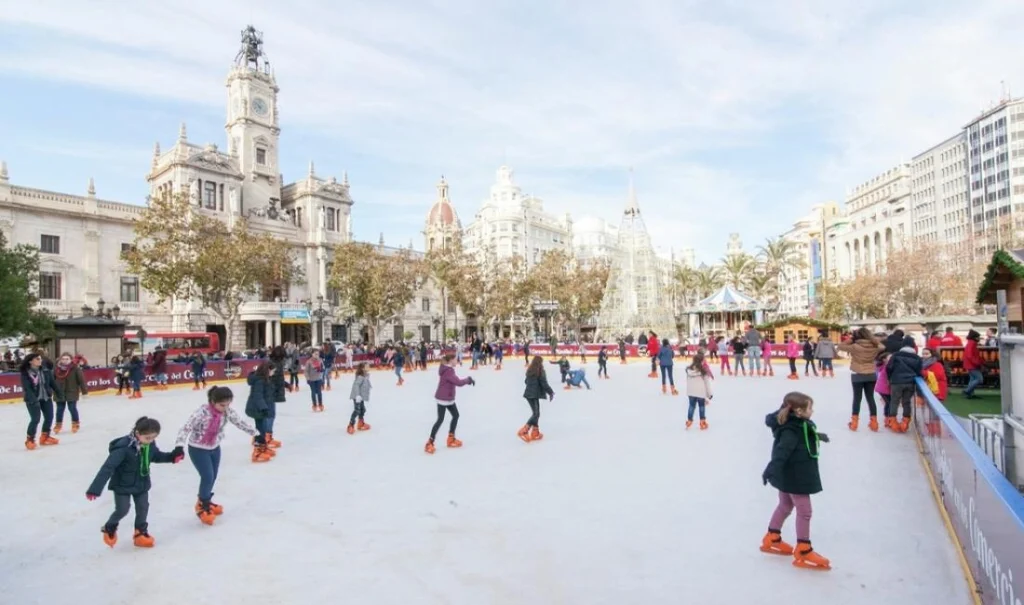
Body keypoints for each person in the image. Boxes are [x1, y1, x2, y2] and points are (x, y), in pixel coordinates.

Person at [86, 417, 184, 548]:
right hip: (122, 485)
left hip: (141, 483)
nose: (150, 441)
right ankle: (110, 526)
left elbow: (156, 456)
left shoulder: (149, 445)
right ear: (138, 433)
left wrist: (172, 457)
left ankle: (140, 533)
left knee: (143, 508)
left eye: (153, 438)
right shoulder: (123, 448)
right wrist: (95, 489)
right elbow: (108, 468)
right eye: (147, 438)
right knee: (122, 509)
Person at [760, 392, 831, 570]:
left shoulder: (796, 424)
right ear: (799, 411)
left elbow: (801, 436)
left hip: (788, 474)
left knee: (785, 505)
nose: (812, 411)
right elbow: (782, 452)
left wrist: (817, 435)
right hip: (796, 475)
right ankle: (804, 549)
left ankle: (772, 537)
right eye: (810, 408)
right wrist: (771, 469)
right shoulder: (792, 430)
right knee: (805, 511)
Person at [175, 386, 260, 525]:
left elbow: (239, 422)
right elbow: (186, 428)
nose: (225, 407)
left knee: (213, 476)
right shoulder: (201, 412)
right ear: (213, 401)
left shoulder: (227, 412)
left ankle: (206, 499)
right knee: (207, 476)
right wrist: (179, 446)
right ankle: (202, 505)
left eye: (228, 404)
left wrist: (256, 434)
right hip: (198, 448)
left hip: (215, 447)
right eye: (222, 405)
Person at [425, 353, 475, 454]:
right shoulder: (448, 371)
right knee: (440, 420)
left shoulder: (448, 369)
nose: (457, 361)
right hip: (443, 399)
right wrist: (468, 380)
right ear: (451, 361)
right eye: (455, 359)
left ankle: (451, 438)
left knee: (456, 416)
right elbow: (459, 383)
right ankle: (429, 442)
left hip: (448, 398)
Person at [837, 328, 884, 432]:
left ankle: (854, 423)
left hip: (857, 374)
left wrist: (851, 339)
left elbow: (840, 346)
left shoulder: (855, 346)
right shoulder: (874, 346)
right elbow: (882, 346)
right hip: (871, 374)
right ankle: (874, 423)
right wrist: (874, 340)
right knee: (870, 398)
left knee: (857, 398)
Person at [21, 353, 61, 450]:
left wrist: (60, 393)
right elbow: (27, 388)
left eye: (40, 358)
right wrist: (33, 400)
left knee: (49, 417)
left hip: (46, 398)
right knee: (35, 419)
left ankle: (45, 437)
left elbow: (52, 383)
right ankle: (30, 440)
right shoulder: (26, 373)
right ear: (31, 361)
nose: (40, 360)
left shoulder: (45, 370)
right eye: (37, 359)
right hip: (32, 400)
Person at [885, 336, 922, 433]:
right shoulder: (917, 358)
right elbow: (919, 372)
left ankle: (892, 422)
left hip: (896, 382)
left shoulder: (896, 355)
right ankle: (905, 423)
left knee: (894, 401)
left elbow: (888, 368)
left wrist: (890, 378)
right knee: (906, 402)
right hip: (910, 382)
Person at [243, 362, 276, 462]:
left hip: (259, 408)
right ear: (267, 370)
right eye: (273, 371)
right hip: (257, 408)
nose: (273, 373)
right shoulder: (260, 381)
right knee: (261, 429)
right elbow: (258, 396)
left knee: (262, 428)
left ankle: (263, 448)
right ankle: (257, 453)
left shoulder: (265, 379)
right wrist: (264, 408)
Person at [520, 355, 555, 442]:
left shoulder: (530, 370)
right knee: (536, 414)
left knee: (536, 413)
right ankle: (524, 431)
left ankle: (535, 432)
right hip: (534, 394)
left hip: (528, 394)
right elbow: (544, 383)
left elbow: (526, 381)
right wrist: (551, 392)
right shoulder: (540, 371)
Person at [53, 352, 88, 435]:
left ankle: (75, 423)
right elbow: (52, 380)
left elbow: (81, 381)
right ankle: (58, 424)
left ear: (71, 360)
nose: (65, 361)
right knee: (59, 410)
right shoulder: (56, 369)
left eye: (67, 359)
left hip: (72, 391)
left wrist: (84, 392)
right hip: (59, 392)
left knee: (72, 408)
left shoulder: (75, 369)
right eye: (63, 359)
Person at [685, 353, 713, 430]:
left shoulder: (689, 370)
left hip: (691, 392)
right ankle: (702, 422)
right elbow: (707, 384)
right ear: (701, 361)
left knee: (691, 406)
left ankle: (689, 420)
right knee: (701, 407)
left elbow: (688, 381)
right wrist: (709, 394)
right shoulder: (703, 371)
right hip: (700, 392)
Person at [348, 362, 372, 434]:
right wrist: (357, 395)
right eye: (367, 366)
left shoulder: (365, 376)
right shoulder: (360, 377)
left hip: (361, 396)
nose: (369, 367)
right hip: (357, 396)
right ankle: (351, 425)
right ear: (362, 368)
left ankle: (361, 423)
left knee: (363, 409)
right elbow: (356, 385)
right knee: (357, 410)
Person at [962, 329, 985, 400]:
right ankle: (967, 391)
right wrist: (978, 363)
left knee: (972, 379)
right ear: (974, 337)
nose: (979, 338)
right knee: (979, 379)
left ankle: (970, 394)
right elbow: (970, 356)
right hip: (972, 365)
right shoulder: (972, 344)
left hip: (969, 364)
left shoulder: (970, 343)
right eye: (978, 337)